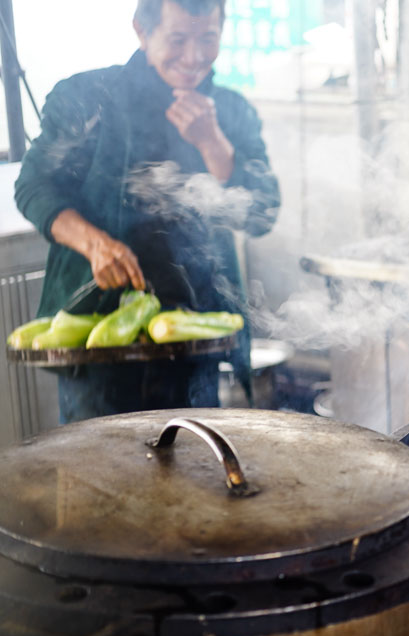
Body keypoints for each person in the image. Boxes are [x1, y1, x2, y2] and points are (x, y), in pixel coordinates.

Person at [14, 0, 280, 423]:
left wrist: (213, 144)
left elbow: (263, 212)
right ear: (142, 30)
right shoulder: (86, 98)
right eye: (178, 39)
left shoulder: (230, 112)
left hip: (192, 338)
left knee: (192, 465)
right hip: (99, 337)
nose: (194, 56)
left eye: (207, 38)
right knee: (100, 473)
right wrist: (96, 245)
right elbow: (34, 187)